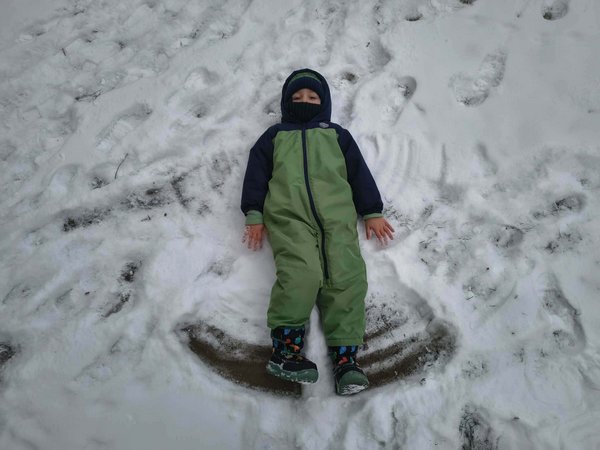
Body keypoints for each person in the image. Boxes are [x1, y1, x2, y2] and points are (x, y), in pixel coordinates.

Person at [240, 68, 394, 395]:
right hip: (289, 218)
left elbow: (358, 174)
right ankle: (286, 352)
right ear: (287, 103)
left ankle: (346, 361)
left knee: (346, 277)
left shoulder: (337, 135)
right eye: (297, 97)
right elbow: (256, 175)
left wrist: (372, 210)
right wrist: (254, 213)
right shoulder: (274, 136)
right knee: (301, 274)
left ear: (324, 103)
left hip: (337, 220)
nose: (305, 101)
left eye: (312, 97)